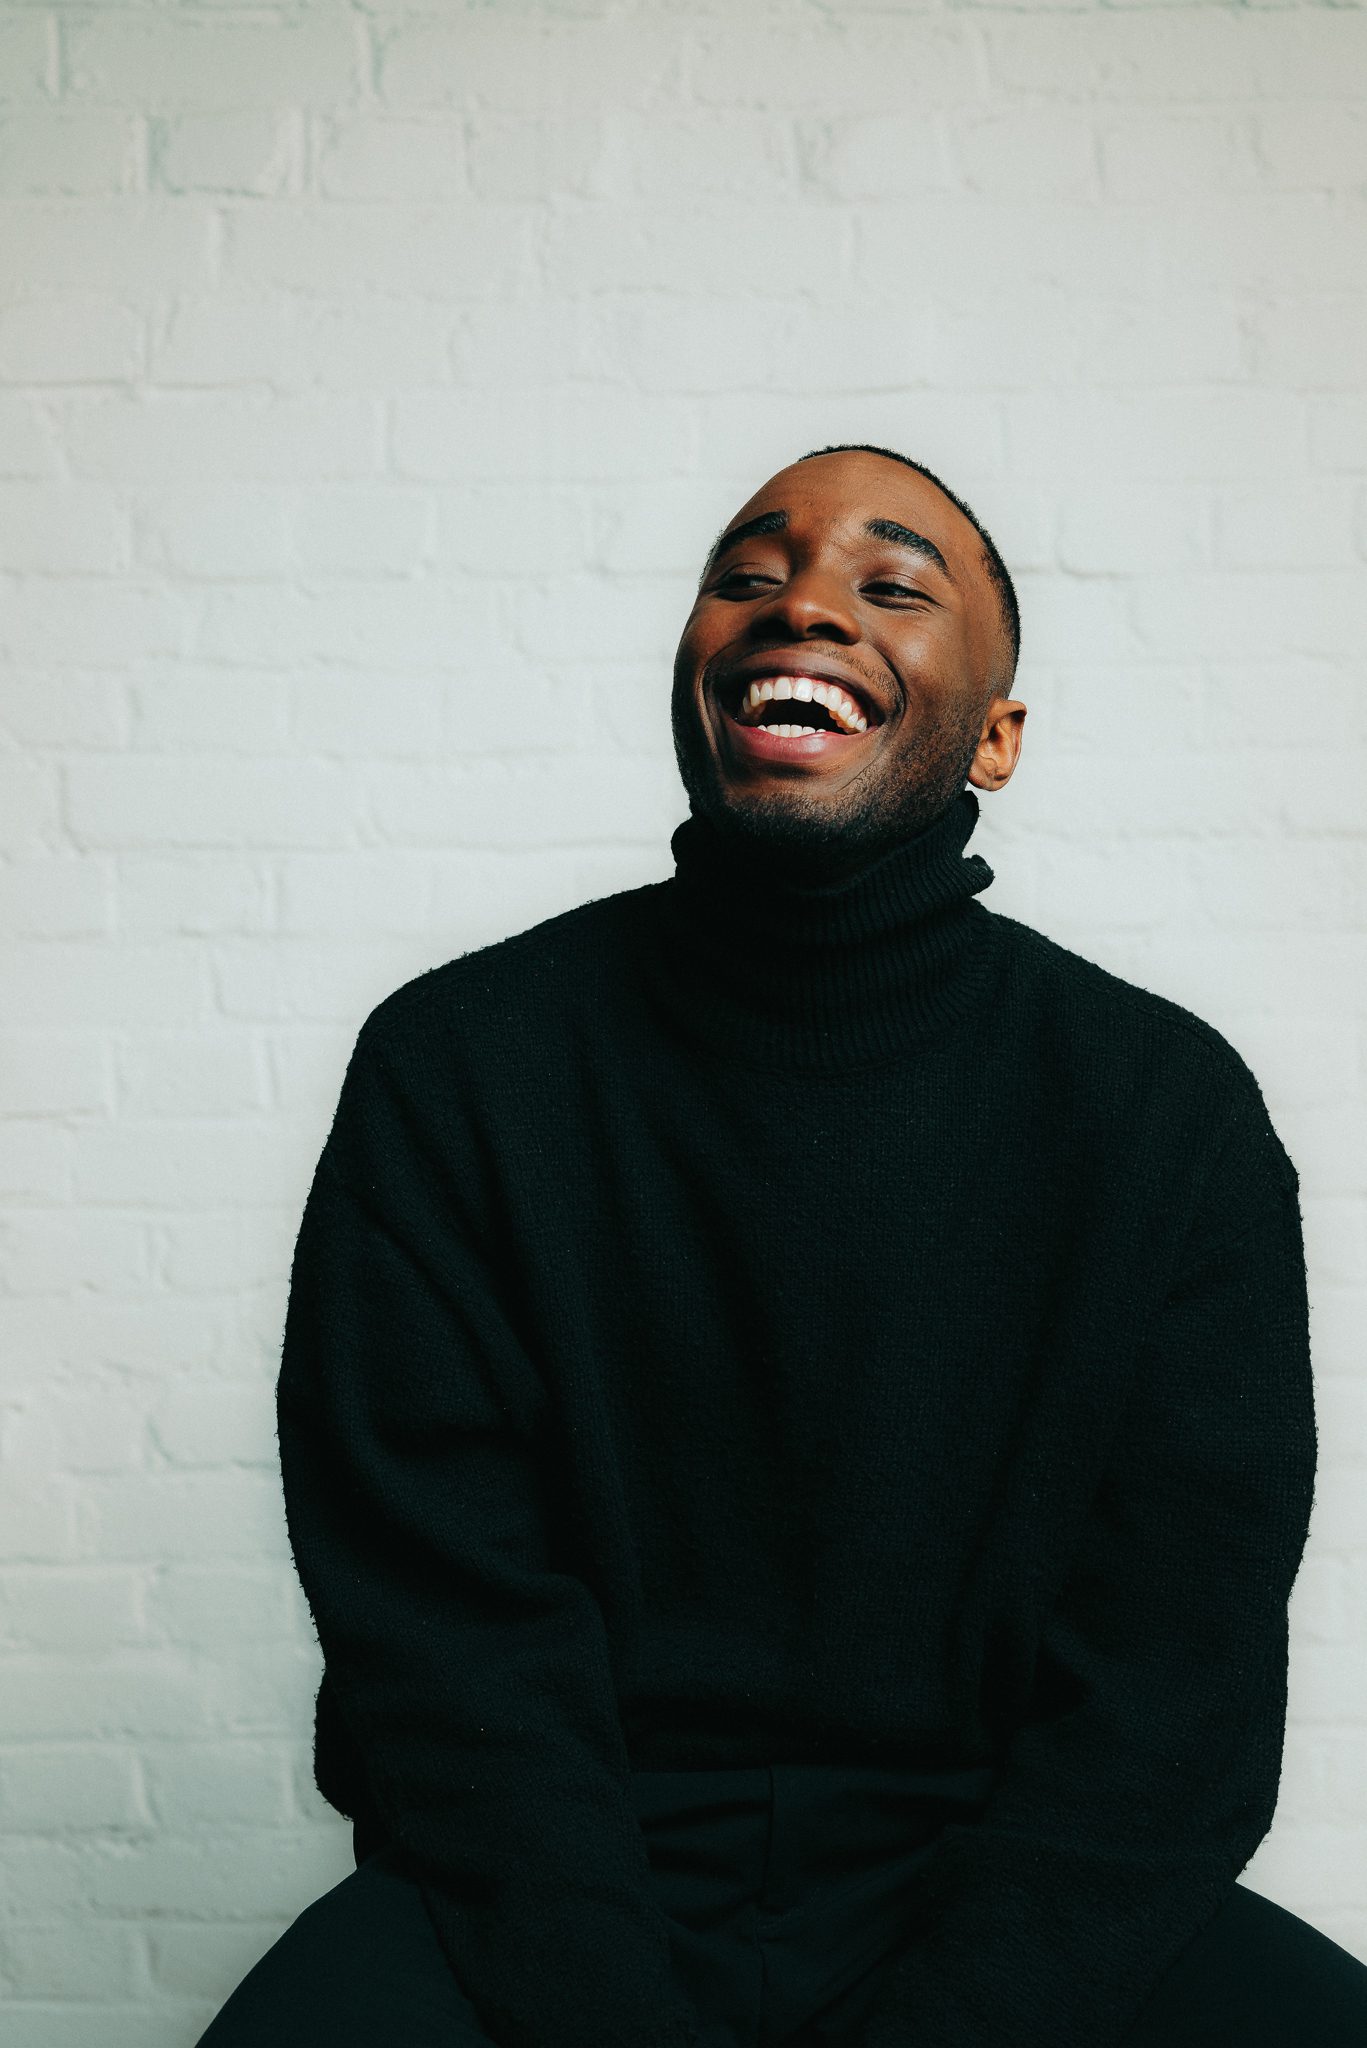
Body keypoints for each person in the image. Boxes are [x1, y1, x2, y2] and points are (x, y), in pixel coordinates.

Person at [197, 445, 1367, 2047]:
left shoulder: (1167, 1116)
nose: (803, 605)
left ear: (998, 735)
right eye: (747, 578)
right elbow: (441, 1641)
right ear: (692, 678)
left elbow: (1174, 1690)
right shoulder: (458, 1066)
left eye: (892, 584)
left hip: (1004, 1901)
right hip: (556, 1887)